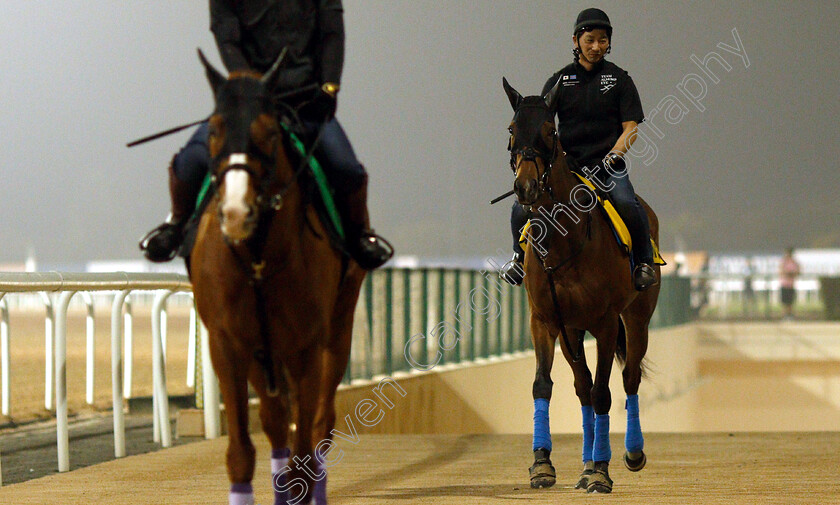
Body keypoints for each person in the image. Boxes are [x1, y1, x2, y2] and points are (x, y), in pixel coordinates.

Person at [139, 0, 393, 270]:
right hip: (251, 103)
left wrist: (329, 86)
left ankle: (357, 238)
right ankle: (175, 226)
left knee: (346, 168)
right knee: (188, 162)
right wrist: (254, 89)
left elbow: (332, 34)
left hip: (306, 102)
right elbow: (228, 42)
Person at [500, 8, 657, 291]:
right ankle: (517, 258)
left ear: (609, 43)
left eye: (603, 40)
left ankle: (644, 262)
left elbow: (631, 127)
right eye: (590, 40)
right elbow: (542, 126)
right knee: (520, 208)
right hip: (567, 166)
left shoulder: (620, 80)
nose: (597, 46)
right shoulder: (558, 82)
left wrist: (614, 155)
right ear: (576, 41)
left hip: (607, 167)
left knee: (627, 204)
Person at [779, 247, 800, 320]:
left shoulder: (794, 262)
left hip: (791, 284)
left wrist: (791, 274)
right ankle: (785, 315)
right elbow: (781, 271)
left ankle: (790, 315)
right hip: (784, 284)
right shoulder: (783, 262)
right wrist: (788, 274)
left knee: (790, 301)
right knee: (784, 302)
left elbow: (798, 271)